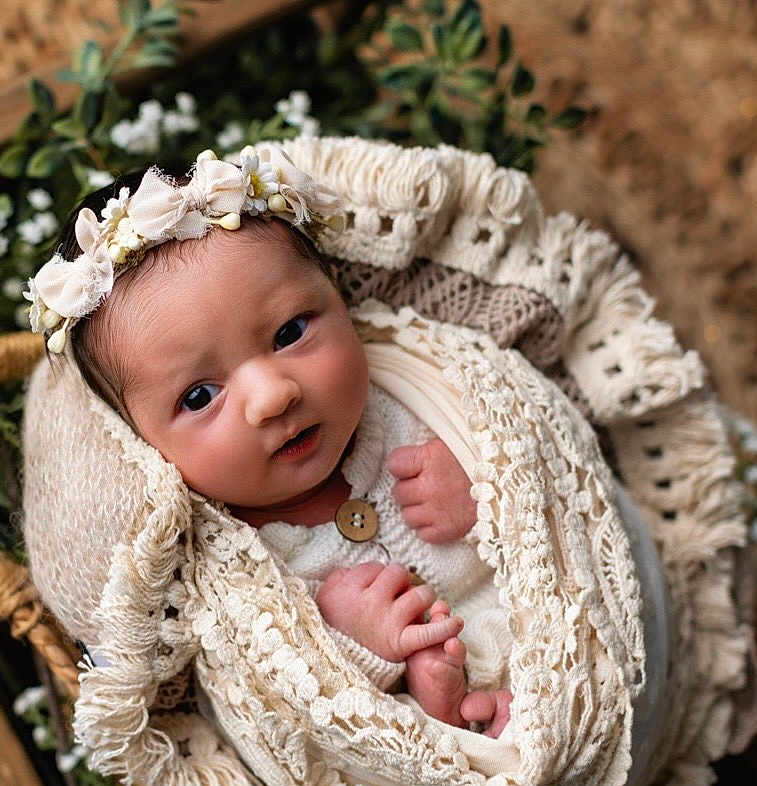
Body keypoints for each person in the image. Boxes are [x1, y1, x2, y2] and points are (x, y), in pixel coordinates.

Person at [26, 150, 512, 736]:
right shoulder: (233, 565)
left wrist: (485, 487)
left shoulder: (414, 395)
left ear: (337, 294)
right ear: (142, 444)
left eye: (289, 333)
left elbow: (528, 450)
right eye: (200, 397)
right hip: (436, 743)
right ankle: (449, 716)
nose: (271, 397)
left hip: (542, 635)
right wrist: (355, 641)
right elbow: (282, 711)